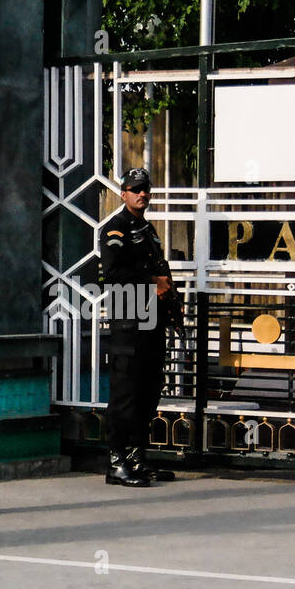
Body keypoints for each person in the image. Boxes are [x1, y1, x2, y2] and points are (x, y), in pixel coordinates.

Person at [100, 167, 181, 487]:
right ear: (124, 193)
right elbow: (113, 273)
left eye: (145, 189)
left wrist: (172, 303)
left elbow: (160, 269)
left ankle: (136, 458)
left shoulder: (148, 229)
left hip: (152, 321)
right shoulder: (115, 228)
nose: (142, 194)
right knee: (126, 393)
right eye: (135, 189)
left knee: (148, 390)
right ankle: (117, 462)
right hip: (129, 321)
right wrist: (151, 282)